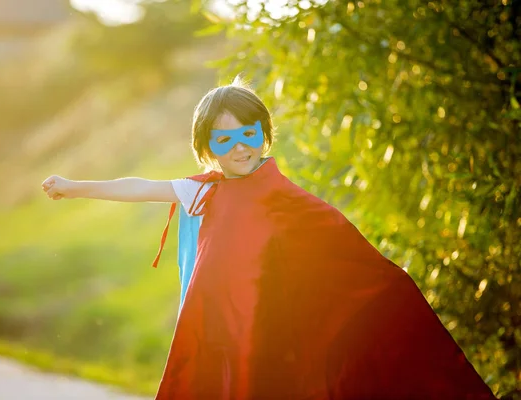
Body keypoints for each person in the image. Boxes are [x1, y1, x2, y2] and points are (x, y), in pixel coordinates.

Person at [42, 80, 496, 399]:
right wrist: (74, 185)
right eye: (224, 139)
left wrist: (388, 290)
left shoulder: (286, 199)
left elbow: (336, 243)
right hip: (218, 325)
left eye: (248, 134)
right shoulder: (205, 189)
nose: (239, 148)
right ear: (206, 148)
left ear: (263, 134)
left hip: (270, 327)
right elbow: (140, 186)